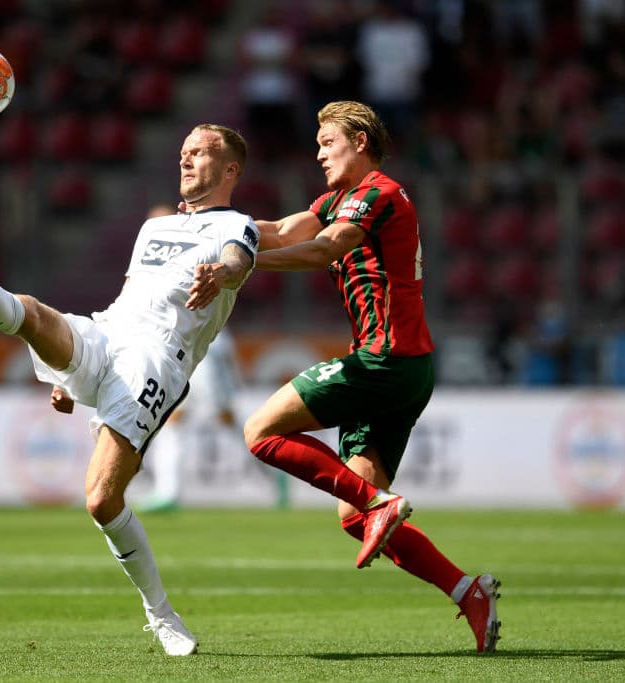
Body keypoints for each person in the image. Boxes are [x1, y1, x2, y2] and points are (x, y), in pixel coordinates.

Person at [0, 124, 259, 656]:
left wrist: (221, 272)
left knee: (101, 500)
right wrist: (67, 379)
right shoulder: (154, 229)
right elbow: (132, 299)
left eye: (200, 153)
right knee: (29, 311)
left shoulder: (236, 225)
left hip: (156, 361)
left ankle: (161, 613)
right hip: (108, 331)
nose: (187, 160)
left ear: (231, 169)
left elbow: (240, 263)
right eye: (183, 152)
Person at [245, 100, 501, 653]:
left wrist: (245, 264)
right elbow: (287, 228)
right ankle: (468, 591)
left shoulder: (380, 193)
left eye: (327, 142)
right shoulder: (338, 199)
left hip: (388, 360)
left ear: (359, 141)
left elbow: (326, 248)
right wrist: (218, 228)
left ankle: (381, 502)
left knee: (260, 431)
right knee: (353, 515)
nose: (318, 153)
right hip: (400, 368)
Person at [138, 325, 244, 513]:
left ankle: (275, 472)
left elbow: (224, 356)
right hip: (188, 369)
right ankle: (168, 493)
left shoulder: (207, 317)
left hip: (205, 372)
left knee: (235, 428)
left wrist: (229, 385)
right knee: (171, 430)